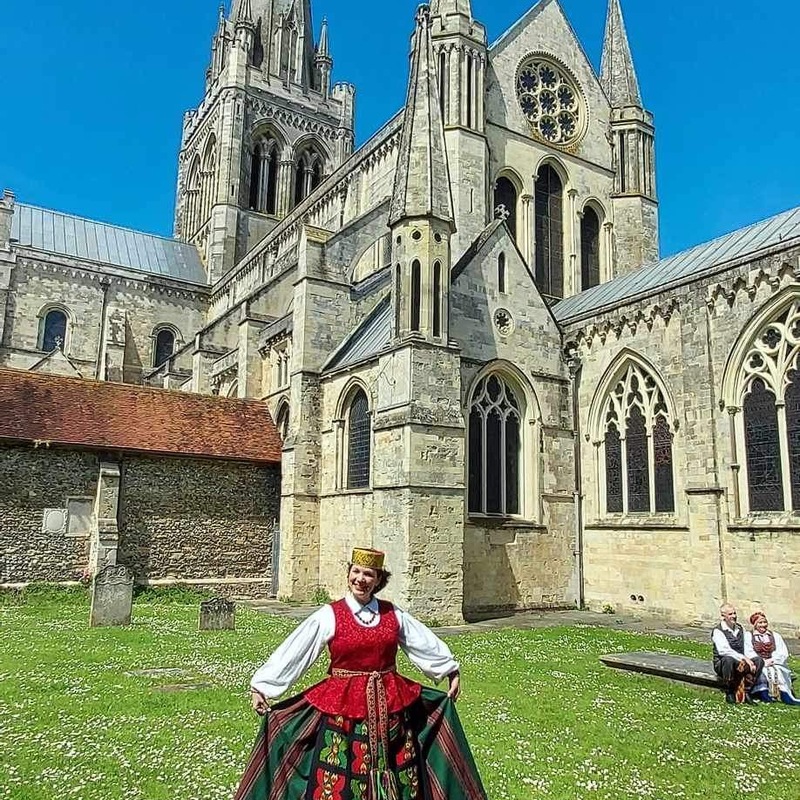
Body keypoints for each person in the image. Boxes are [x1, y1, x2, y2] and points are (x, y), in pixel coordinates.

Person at [234, 547, 487, 800]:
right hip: (343, 707)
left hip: (390, 704)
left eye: (369, 574)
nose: (360, 579)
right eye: (356, 571)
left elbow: (421, 642)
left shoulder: (392, 613)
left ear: (378, 580)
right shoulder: (330, 615)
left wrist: (449, 669)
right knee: (341, 773)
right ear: (348, 574)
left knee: (398, 770)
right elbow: (298, 650)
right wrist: (262, 686)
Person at [711, 603, 764, 704]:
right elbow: (724, 650)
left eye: (734, 613)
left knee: (759, 661)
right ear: (723, 616)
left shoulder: (740, 629)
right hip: (723, 664)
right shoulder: (718, 631)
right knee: (728, 659)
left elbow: (747, 647)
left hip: (741, 663)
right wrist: (744, 659)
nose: (734, 616)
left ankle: (747, 691)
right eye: (730, 614)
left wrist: (752, 660)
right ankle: (729, 692)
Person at [745, 611, 800, 706]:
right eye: (760, 623)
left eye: (765, 622)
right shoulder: (748, 636)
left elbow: (782, 652)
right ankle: (764, 694)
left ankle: (783, 695)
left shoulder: (775, 636)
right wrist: (763, 662)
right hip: (759, 663)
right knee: (764, 671)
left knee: (778, 671)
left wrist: (773, 660)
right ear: (754, 624)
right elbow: (748, 651)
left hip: (774, 662)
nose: (763, 625)